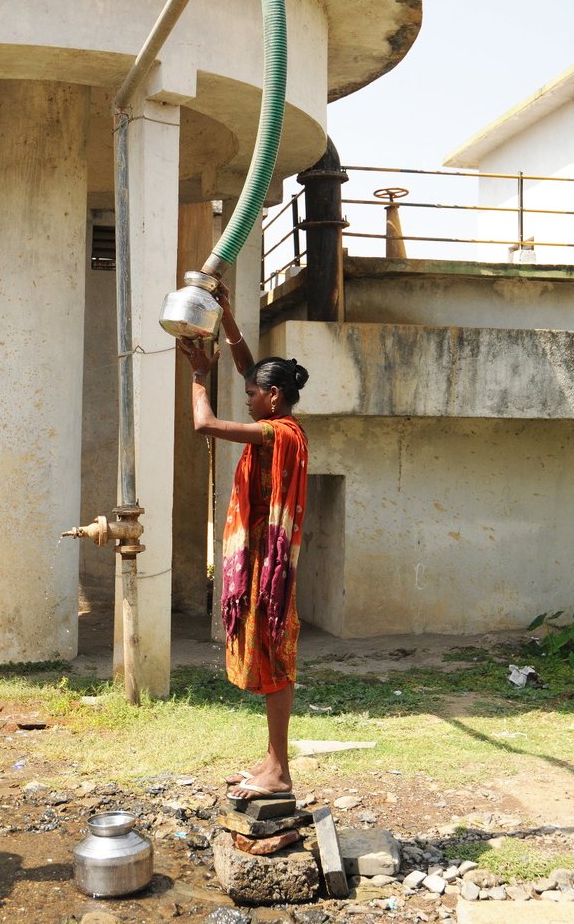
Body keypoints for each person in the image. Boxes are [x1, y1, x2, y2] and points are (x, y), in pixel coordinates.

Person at [178, 282, 309, 798]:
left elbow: (204, 423)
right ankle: (271, 760)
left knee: (275, 658)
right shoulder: (276, 420)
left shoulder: (278, 433)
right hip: (260, 562)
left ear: (272, 397)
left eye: (253, 392)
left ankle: (279, 771)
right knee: (267, 654)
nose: (248, 394)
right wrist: (228, 318)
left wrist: (197, 376)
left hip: (269, 568)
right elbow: (248, 367)